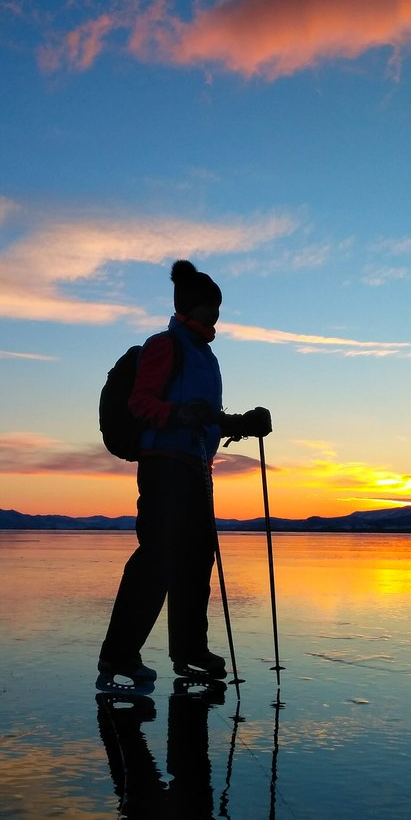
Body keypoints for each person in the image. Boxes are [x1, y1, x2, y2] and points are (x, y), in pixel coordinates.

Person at [97, 260, 272, 693]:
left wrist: (243, 424)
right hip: (164, 467)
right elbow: (141, 404)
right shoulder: (164, 346)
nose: (216, 316)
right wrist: (178, 414)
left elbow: (204, 419)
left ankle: (189, 651)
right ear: (191, 307)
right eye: (211, 307)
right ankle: (118, 657)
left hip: (196, 469)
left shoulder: (205, 356)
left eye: (217, 308)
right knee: (158, 558)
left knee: (196, 561)